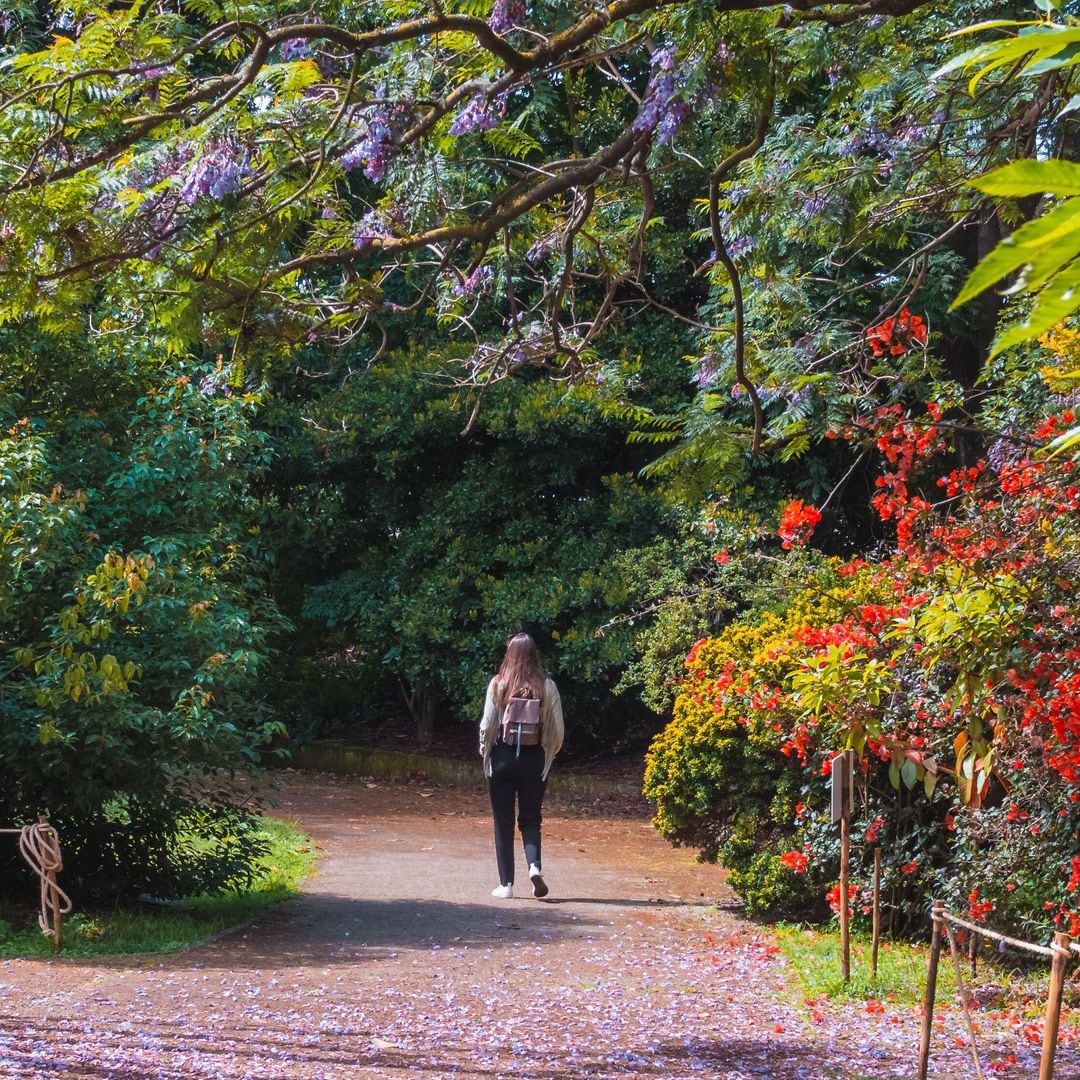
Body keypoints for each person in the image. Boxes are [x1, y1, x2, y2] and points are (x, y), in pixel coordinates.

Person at [479, 632, 564, 899]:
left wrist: (486, 753)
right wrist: (548, 753)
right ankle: (534, 866)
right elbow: (558, 730)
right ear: (534, 655)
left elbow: (487, 725)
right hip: (534, 761)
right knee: (530, 819)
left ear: (510, 655)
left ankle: (506, 885)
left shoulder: (498, 684)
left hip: (502, 760)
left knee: (503, 822)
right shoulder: (546, 686)